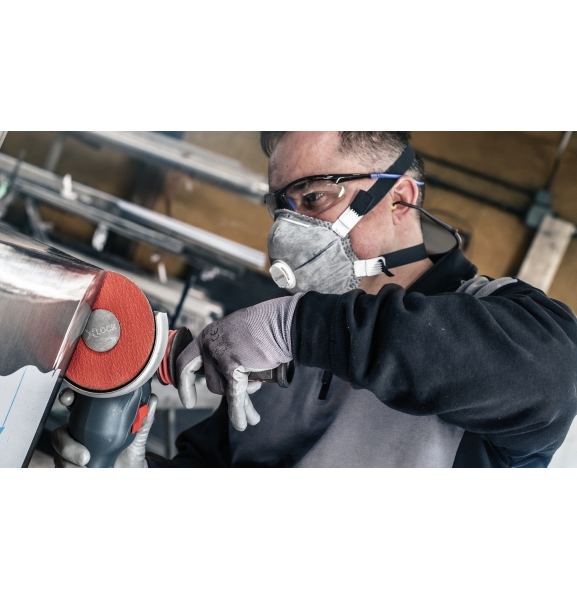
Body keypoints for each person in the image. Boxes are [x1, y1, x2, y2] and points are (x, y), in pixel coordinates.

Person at [53, 131, 577, 468]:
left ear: (399, 198)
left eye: (315, 197)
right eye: (281, 207)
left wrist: (294, 326)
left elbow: (549, 381)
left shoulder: (503, 316)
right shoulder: (278, 347)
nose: (287, 231)